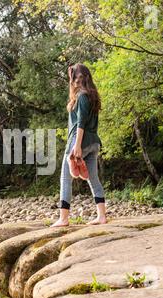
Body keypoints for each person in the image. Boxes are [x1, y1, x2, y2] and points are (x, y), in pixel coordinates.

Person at [51, 63, 107, 227]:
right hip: (93, 142)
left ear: (76, 79)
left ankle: (63, 218)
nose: (73, 83)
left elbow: (81, 122)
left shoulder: (82, 96)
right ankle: (101, 216)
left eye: (73, 79)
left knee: (65, 178)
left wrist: (76, 145)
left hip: (79, 140)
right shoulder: (92, 96)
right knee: (93, 178)